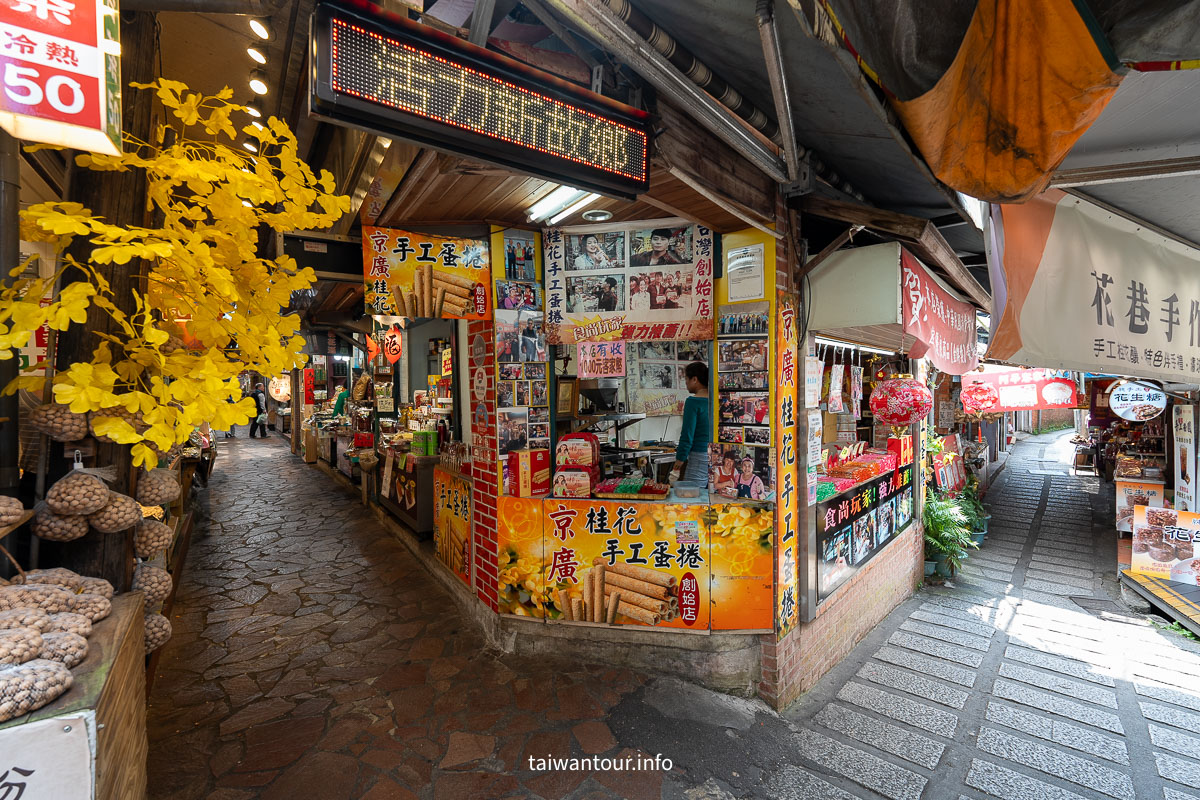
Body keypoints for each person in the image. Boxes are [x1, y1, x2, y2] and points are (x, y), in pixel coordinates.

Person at [672, 361, 711, 484]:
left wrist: (678, 463)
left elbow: (687, 436)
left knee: (693, 496)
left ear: (695, 379)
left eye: (686, 379)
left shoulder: (693, 402)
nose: (686, 383)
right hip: (715, 455)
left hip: (699, 455)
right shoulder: (715, 400)